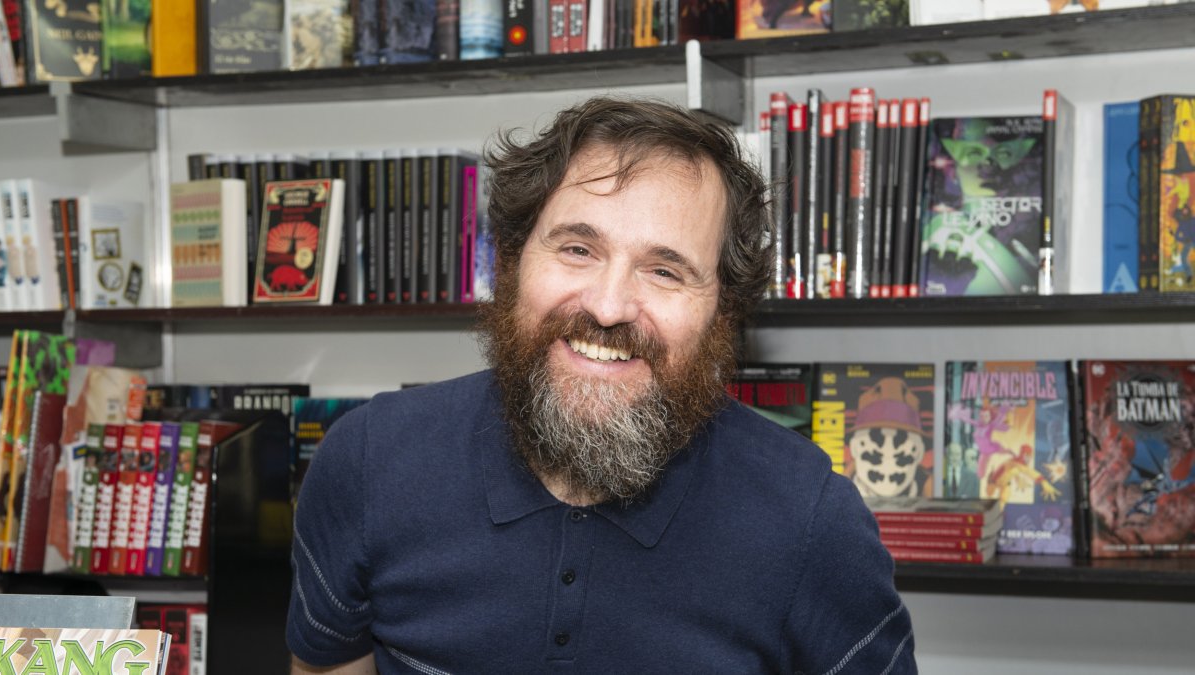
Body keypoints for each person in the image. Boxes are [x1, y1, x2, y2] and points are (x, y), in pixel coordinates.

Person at [287, 97, 916, 674]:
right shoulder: (368, 461)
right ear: (510, 262)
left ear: (722, 313)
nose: (610, 305)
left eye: (665, 270)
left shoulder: (812, 520)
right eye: (578, 250)